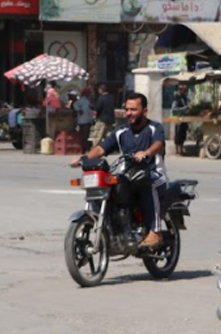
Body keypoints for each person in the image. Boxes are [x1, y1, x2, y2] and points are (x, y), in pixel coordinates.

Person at [72, 92, 168, 249]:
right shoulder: (121, 131)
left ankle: (155, 231)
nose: (129, 113)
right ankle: (113, 229)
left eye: (133, 109)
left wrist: (146, 152)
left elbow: (158, 144)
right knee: (107, 188)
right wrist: (84, 158)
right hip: (128, 176)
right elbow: (102, 148)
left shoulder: (154, 128)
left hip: (153, 173)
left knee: (148, 185)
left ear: (144, 111)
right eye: (127, 109)